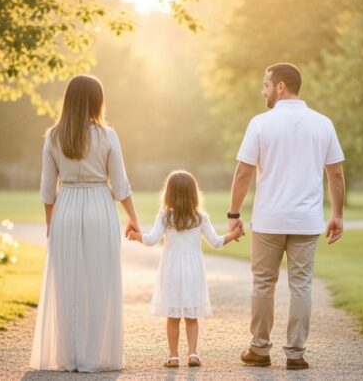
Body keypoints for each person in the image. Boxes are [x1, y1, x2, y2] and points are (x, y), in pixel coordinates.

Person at [228, 62, 346, 370]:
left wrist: (233, 213)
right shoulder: (323, 124)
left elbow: (243, 171)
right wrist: (337, 215)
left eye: (266, 85)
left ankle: (259, 349)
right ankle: (295, 354)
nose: (263, 91)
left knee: (263, 283)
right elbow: (335, 173)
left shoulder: (260, 124)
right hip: (306, 221)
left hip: (269, 220)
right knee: (301, 286)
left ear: (280, 87)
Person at [30, 75, 140, 372]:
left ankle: (69, 356)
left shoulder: (53, 136)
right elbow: (121, 186)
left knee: (66, 284)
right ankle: (95, 355)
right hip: (99, 208)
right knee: (99, 282)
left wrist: (51, 224)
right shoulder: (107, 135)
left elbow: (47, 189)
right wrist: (133, 219)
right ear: (96, 100)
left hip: (66, 207)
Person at [126, 170, 244, 368]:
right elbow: (216, 242)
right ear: (194, 194)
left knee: (172, 316)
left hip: (171, 270)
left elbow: (151, 240)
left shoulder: (165, 217)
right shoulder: (201, 218)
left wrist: (135, 235)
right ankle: (193, 354)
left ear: (169, 194)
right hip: (193, 271)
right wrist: (234, 234)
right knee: (191, 315)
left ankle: (173, 357)